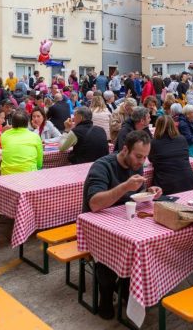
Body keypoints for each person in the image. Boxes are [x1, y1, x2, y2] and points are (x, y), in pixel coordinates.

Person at [81, 131, 162, 320]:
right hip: (96, 228)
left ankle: (127, 288)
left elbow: (135, 195)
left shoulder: (137, 166)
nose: (142, 162)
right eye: (138, 156)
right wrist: (125, 186)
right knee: (109, 255)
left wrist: (148, 192)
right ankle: (106, 296)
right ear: (125, 149)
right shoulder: (102, 166)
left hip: (124, 223)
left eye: (145, 157)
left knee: (144, 247)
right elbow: (94, 203)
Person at [149, 115, 193, 194]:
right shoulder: (182, 139)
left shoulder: (154, 142)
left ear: (157, 126)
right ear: (173, 125)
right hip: (188, 181)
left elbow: (151, 159)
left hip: (166, 184)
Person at [0, 110, 43, 175]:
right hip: (29, 175)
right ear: (27, 122)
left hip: (6, 175)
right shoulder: (35, 136)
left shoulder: (4, 135)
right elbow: (39, 161)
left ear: (12, 122)